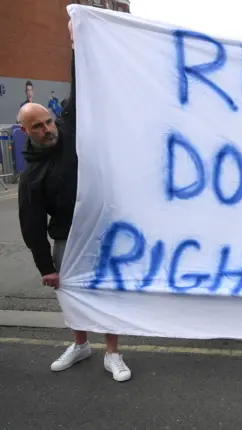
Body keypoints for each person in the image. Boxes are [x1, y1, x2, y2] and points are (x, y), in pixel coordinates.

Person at [17, 21, 131, 382]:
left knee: (107, 291)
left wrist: (76, 43)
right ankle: (80, 344)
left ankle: (112, 352)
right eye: (38, 127)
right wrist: (44, 267)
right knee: (73, 296)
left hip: (100, 228)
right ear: (25, 131)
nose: (48, 129)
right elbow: (31, 225)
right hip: (67, 238)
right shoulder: (31, 177)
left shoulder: (70, 129)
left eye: (49, 122)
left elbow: (80, 85)